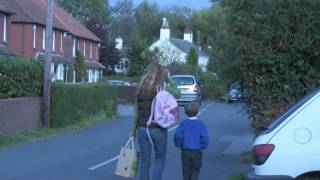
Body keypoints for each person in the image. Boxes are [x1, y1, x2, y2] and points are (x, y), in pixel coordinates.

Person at [131, 62, 180, 180]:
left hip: (142, 129)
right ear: (161, 74)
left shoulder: (140, 87)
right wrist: (169, 79)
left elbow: (136, 112)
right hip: (158, 128)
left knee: (144, 160)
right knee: (159, 158)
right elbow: (178, 94)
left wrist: (133, 130)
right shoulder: (163, 87)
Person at [174, 102, 209, 180]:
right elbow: (205, 137)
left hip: (185, 151)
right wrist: (203, 146)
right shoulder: (201, 124)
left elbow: (178, 135)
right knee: (195, 170)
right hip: (197, 151)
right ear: (197, 112)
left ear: (186, 112)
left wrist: (178, 144)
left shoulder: (183, 123)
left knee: (186, 170)